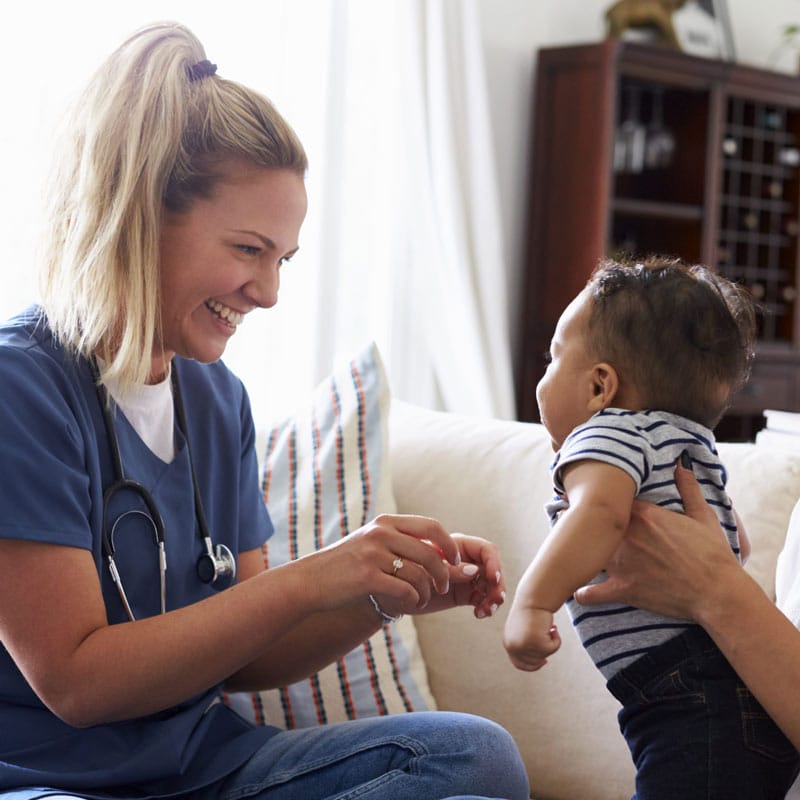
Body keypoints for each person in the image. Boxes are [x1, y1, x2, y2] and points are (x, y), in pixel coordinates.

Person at [0, 22, 530, 800]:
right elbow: (76, 682)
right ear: (144, 216)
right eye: (249, 250)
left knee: (471, 758)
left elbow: (249, 660)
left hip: (208, 766)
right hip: (52, 781)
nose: (270, 292)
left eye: (282, 259)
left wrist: (379, 592)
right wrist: (317, 577)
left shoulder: (217, 403)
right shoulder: (23, 389)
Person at [503, 257, 800, 798]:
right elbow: (738, 541)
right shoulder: (686, 444)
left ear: (600, 386)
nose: (544, 376)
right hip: (738, 689)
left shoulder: (606, 433)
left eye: (552, 358)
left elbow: (601, 513)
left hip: (685, 693)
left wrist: (532, 602)